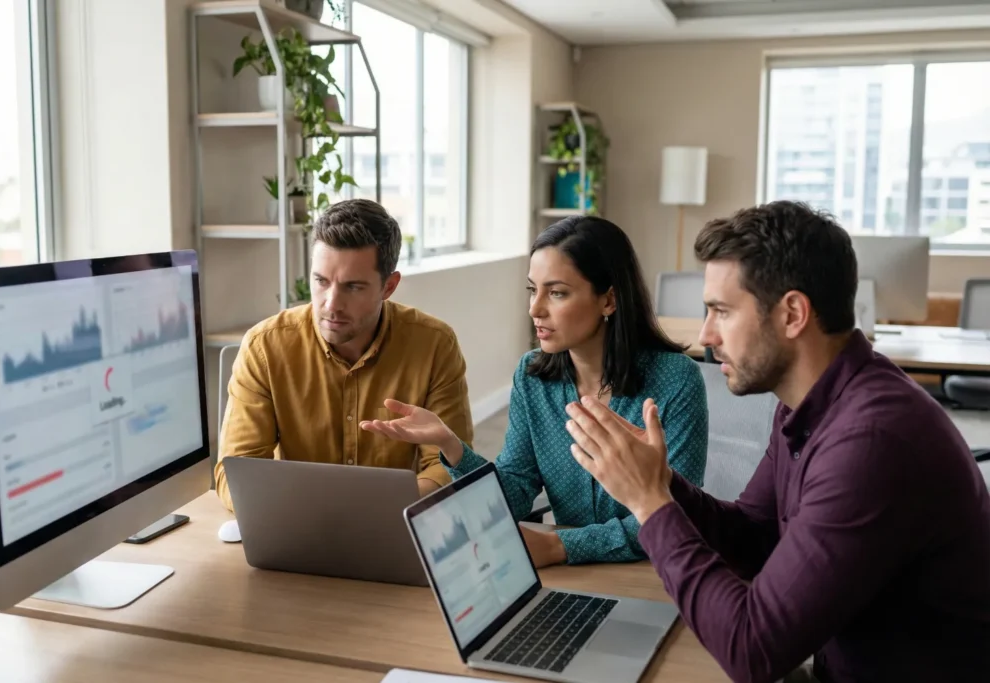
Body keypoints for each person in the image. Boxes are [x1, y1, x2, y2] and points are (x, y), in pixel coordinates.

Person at [564, 200, 990, 682]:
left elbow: (753, 651)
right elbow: (754, 536)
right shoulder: (808, 402)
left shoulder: (871, 441)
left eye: (721, 311)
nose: (705, 335)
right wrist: (660, 480)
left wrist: (650, 504)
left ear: (792, 314)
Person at [360, 215, 708, 567]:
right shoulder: (532, 377)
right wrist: (450, 446)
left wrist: (563, 546)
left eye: (557, 293)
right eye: (532, 290)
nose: (535, 309)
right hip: (571, 577)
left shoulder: (676, 381)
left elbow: (672, 517)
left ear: (609, 300)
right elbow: (515, 491)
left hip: (658, 573)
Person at [214, 199, 474, 511]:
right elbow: (236, 474)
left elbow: (450, 466)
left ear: (388, 286)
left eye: (353, 287)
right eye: (321, 281)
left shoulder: (434, 345)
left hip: (392, 524)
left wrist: (379, 508)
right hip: (298, 525)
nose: (331, 304)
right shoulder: (265, 348)